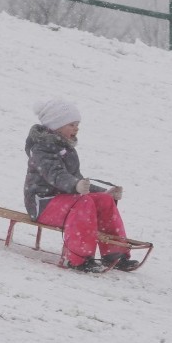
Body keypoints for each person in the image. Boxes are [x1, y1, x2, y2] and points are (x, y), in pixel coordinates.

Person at [23, 98, 139, 273]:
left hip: (64, 201)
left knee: (103, 201)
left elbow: (76, 179)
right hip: (43, 203)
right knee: (84, 203)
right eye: (71, 124)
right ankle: (79, 258)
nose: (76, 128)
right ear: (56, 125)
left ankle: (115, 254)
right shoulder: (41, 149)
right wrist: (76, 185)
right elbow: (56, 176)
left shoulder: (67, 149)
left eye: (77, 124)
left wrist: (106, 193)